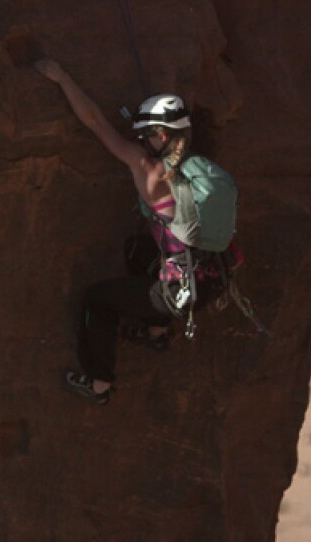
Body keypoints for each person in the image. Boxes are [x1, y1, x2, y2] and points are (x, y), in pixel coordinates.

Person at [34, 58, 232, 405]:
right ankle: (155, 332)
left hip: (176, 292)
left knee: (97, 300)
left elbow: (96, 123)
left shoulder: (148, 169)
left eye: (147, 134)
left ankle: (98, 384)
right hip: (210, 282)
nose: (141, 140)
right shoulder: (199, 169)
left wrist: (62, 77)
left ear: (160, 136)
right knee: (136, 250)